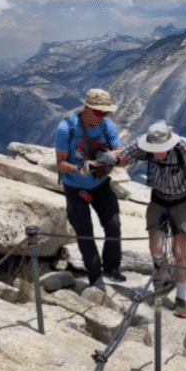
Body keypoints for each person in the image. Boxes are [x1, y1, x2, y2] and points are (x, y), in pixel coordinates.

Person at [116, 121, 186, 319]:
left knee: (180, 251)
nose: (158, 154)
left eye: (162, 149)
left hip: (183, 200)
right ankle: (165, 274)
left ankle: (181, 298)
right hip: (158, 197)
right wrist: (106, 160)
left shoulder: (185, 147)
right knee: (155, 247)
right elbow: (123, 157)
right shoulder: (144, 143)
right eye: (154, 150)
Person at [55, 88, 124, 291]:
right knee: (85, 231)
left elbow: (118, 151)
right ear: (86, 107)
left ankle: (112, 267)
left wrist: (110, 156)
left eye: (105, 113)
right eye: (98, 112)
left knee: (113, 224)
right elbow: (60, 163)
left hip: (100, 184)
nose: (102, 116)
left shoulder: (106, 126)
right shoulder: (66, 128)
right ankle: (95, 276)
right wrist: (79, 169)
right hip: (75, 188)